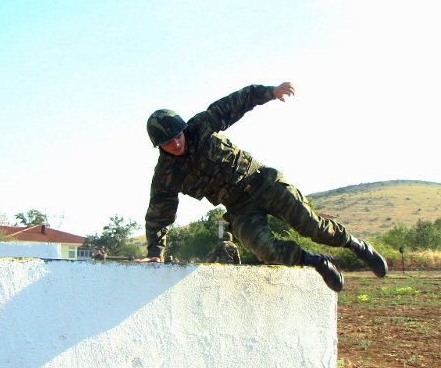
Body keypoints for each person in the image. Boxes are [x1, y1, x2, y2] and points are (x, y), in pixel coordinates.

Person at [139, 82, 387, 292]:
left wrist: (270, 92)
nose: (176, 144)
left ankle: (356, 245)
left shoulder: (201, 126)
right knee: (265, 250)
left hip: (263, 183)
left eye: (178, 136)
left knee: (312, 227)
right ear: (159, 146)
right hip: (239, 208)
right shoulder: (166, 175)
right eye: (168, 142)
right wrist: (155, 252)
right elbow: (159, 215)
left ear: (183, 129)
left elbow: (238, 102)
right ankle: (316, 261)